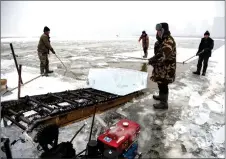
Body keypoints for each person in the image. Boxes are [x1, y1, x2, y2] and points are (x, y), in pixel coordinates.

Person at [148, 23, 176, 109]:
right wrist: (154, 61)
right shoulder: (160, 41)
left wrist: (153, 59)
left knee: (164, 84)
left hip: (167, 68)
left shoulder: (168, 41)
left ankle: (164, 103)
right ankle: (161, 96)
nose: (158, 32)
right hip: (161, 67)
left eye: (160, 31)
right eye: (157, 31)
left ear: (164, 30)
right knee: (160, 83)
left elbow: (163, 54)